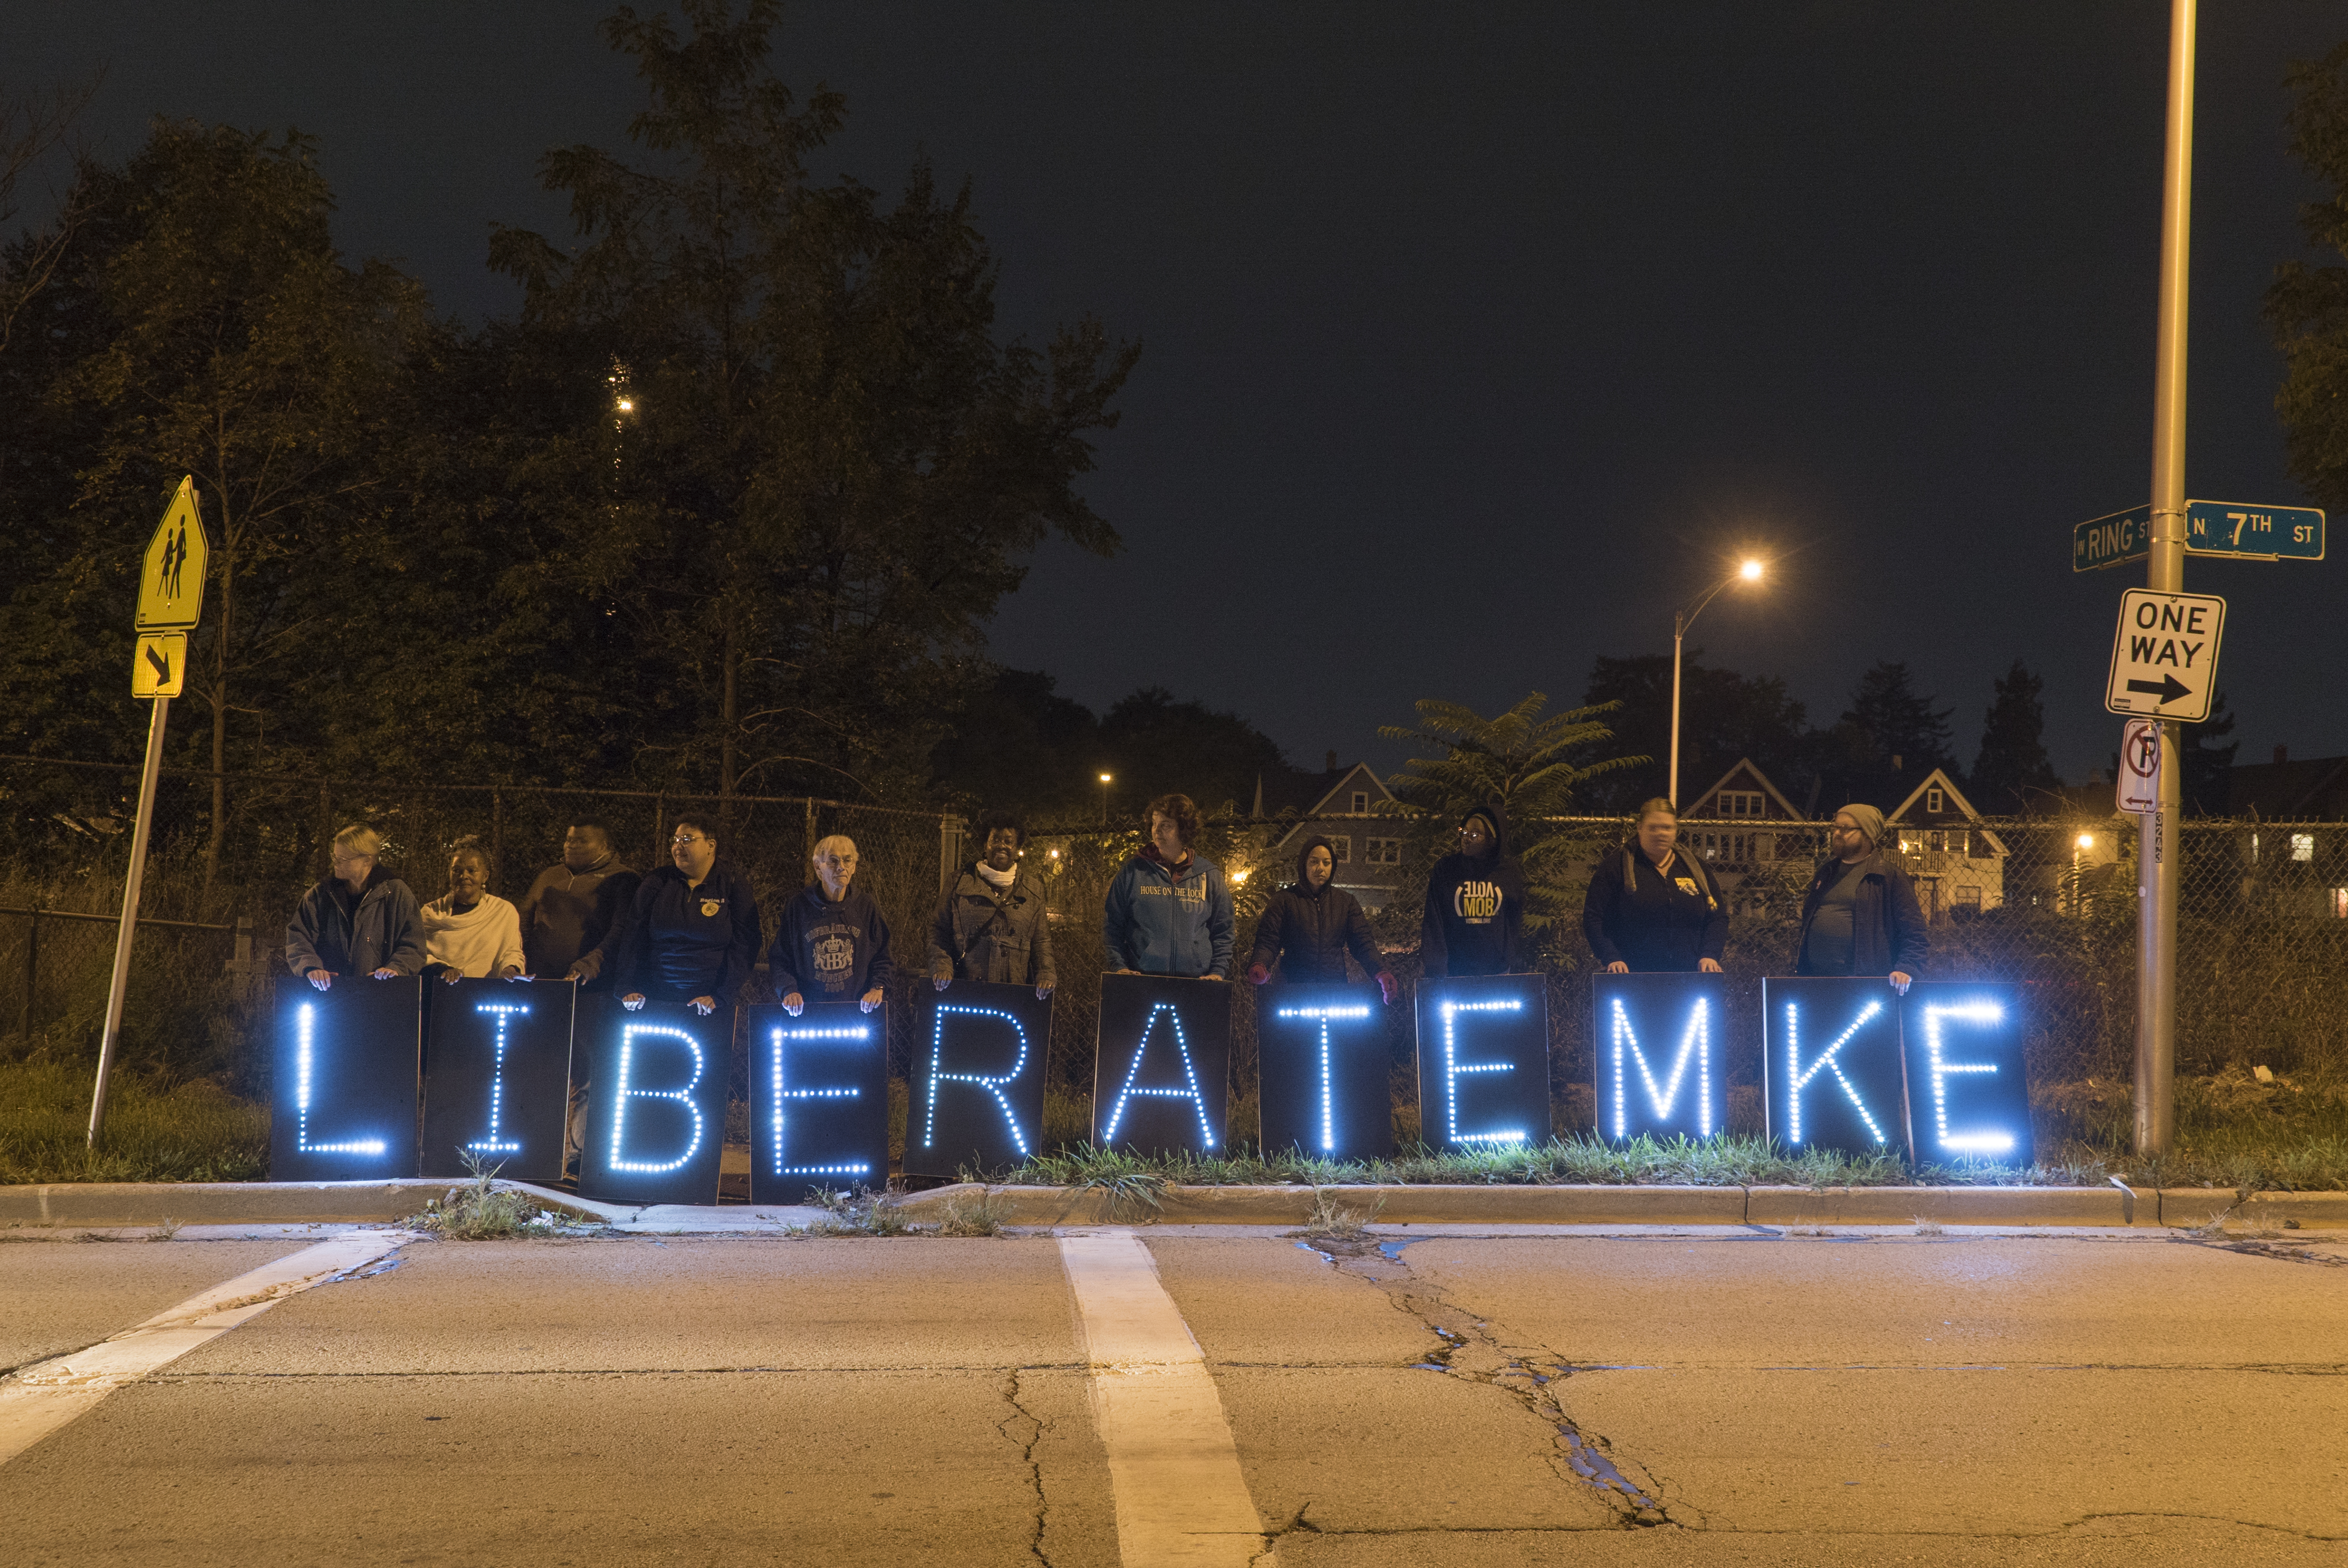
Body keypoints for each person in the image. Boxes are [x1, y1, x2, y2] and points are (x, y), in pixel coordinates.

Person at [614, 813, 761, 1017]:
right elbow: (633, 934)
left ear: (711, 845)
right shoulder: (657, 882)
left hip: (708, 1002)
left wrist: (722, 995)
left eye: (687, 840)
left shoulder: (732, 884)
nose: (677, 846)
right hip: (653, 998)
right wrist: (627, 987)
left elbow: (746, 943)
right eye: (675, 840)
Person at [1582, 798, 1728, 974]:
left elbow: (1717, 916)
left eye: (1667, 827)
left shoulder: (1695, 869)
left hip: (1690, 975)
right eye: (1653, 827)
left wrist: (1710, 955)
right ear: (1640, 828)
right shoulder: (1616, 868)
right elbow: (1594, 918)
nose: (1661, 833)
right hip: (1632, 975)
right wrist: (1611, 957)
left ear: (1676, 830)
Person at [1795, 804, 1928, 994]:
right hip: (1816, 977)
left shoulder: (1889, 877)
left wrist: (1907, 967)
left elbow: (1914, 931)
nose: (1837, 833)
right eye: (1836, 827)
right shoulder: (1827, 872)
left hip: (1863, 981)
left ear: (1867, 834)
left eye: (1846, 829)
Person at [1244, 835, 1397, 1002]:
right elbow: (1268, 940)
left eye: (1327, 862)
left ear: (1333, 866)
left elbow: (1363, 942)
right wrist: (1260, 964)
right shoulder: (1284, 900)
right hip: (1293, 987)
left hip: (1334, 988)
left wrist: (1380, 971)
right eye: (1314, 862)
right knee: (1295, 1028)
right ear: (1304, 864)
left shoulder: (1345, 902)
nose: (1320, 868)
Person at [1102, 793, 1234, 980]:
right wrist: (1120, 967)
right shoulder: (1132, 873)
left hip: (1196, 981)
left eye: (1165, 825)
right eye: (1154, 824)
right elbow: (1112, 926)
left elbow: (1224, 929)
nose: (1157, 831)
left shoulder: (1208, 874)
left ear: (1183, 828)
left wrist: (1217, 972)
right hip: (1142, 979)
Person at [929, 811, 1055, 999]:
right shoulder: (958, 882)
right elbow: (939, 929)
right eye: (995, 840)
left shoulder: (1033, 890)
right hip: (965, 987)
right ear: (985, 844)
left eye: (1008, 841)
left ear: (1018, 847)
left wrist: (1046, 973)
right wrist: (941, 964)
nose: (1001, 846)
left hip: (1013, 990)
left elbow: (1041, 941)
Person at [286, 824, 426, 991]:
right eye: (335, 856)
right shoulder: (321, 894)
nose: (336, 863)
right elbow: (298, 936)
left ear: (367, 860)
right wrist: (311, 967)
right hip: (330, 991)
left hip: (378, 991)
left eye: (343, 859)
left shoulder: (395, 894)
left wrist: (396, 969)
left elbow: (414, 944)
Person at [771, 834, 895, 1016]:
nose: (841, 867)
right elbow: (780, 958)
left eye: (847, 860)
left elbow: (883, 956)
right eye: (833, 861)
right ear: (817, 867)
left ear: (854, 867)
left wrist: (878, 988)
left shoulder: (866, 906)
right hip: (808, 1012)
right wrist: (789, 991)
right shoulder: (799, 907)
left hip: (856, 1013)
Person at [516, 819, 641, 991]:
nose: (572, 846)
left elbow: (621, 931)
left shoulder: (622, 878)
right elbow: (524, 920)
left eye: (582, 841)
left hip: (590, 983)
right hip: (539, 980)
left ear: (603, 846)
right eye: (569, 840)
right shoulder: (550, 875)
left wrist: (591, 964)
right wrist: (522, 961)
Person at [1420, 802, 1525, 976]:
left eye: (1475, 834)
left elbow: (1514, 921)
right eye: (1464, 832)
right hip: (1454, 970)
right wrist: (1436, 968)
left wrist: (1508, 960)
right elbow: (1434, 920)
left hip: (1496, 971)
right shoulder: (1447, 869)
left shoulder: (1508, 873)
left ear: (1492, 839)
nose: (1466, 838)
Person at [420, 842, 527, 984]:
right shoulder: (430, 913)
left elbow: (511, 952)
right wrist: (442, 969)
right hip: (441, 991)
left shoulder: (503, 911)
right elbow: (419, 952)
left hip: (486, 995)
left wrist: (509, 969)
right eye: (457, 870)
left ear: (485, 876)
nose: (464, 876)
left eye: (472, 870)